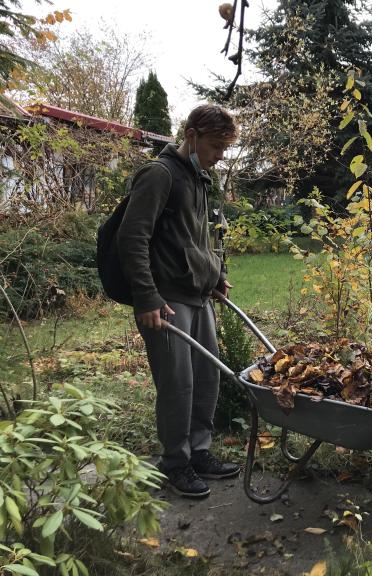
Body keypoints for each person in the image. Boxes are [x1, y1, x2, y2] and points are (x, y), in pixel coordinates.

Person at [117, 104, 240, 498]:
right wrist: (146, 296)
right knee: (178, 385)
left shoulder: (199, 177)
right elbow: (131, 238)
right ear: (191, 134)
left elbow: (199, 237)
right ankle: (175, 462)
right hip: (166, 298)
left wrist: (216, 274)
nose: (220, 154)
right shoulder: (160, 174)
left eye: (224, 147)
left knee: (207, 378)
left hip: (198, 294)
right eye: (216, 145)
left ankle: (199, 452)